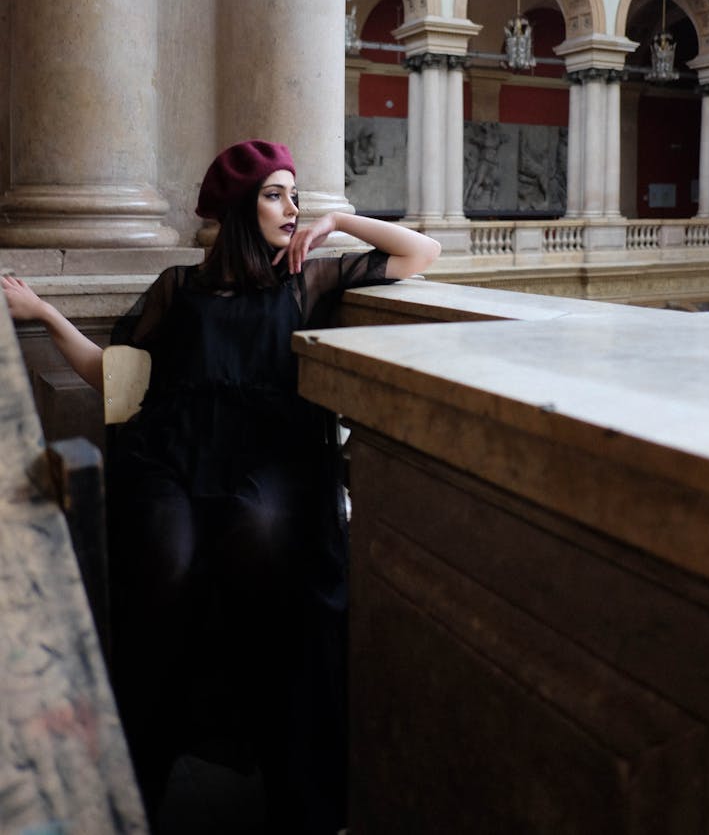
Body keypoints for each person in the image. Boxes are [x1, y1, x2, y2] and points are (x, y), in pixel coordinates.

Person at [1, 139, 441, 834]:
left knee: (261, 539)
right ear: (241, 207)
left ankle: (267, 752)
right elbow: (115, 376)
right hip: (172, 459)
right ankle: (143, 765)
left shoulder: (305, 283)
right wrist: (50, 314)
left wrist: (338, 223)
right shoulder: (183, 287)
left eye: (295, 194)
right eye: (276, 194)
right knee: (166, 568)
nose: (292, 207)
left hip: (272, 460)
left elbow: (423, 253)